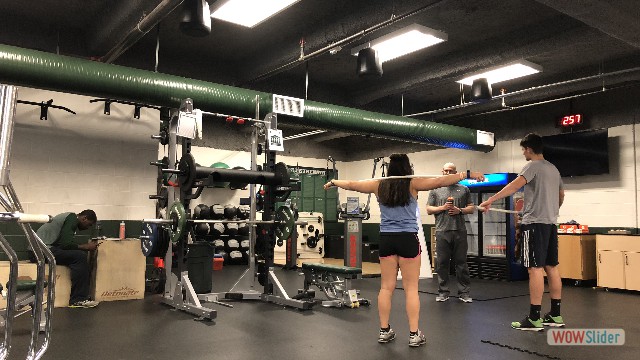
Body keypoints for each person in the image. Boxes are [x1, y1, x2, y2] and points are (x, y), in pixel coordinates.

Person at [324, 154, 485, 346]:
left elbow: (352, 183)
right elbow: (441, 180)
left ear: (390, 169)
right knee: (411, 289)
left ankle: (384, 331)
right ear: (407, 167)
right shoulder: (413, 184)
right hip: (408, 239)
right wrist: (467, 174)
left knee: (386, 287)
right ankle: (414, 335)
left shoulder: (378, 185)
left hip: (387, 240)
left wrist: (334, 181)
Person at [479, 133, 565, 331]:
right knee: (551, 267)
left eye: (523, 150)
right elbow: (561, 195)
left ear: (528, 149)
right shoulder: (553, 168)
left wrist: (490, 200)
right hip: (551, 223)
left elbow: (513, 186)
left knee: (534, 268)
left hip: (534, 224)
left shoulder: (532, 166)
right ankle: (555, 315)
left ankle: (535, 317)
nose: (523, 153)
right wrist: (552, 210)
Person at [426, 162, 474, 303]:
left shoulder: (464, 189)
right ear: (442, 172)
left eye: (450, 171)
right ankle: (443, 292)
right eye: (445, 171)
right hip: (442, 231)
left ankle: (464, 293)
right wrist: (443, 207)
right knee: (442, 263)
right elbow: (429, 209)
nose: (448, 173)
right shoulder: (435, 189)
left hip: (460, 231)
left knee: (461, 263)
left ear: (455, 172)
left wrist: (460, 210)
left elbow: (471, 207)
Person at [36, 210, 100, 308]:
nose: (88, 228)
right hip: (40, 251)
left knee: (76, 255)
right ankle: (78, 299)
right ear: (84, 218)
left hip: (40, 250)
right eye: (89, 224)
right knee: (80, 257)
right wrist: (86, 246)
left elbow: (63, 244)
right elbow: (66, 244)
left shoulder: (68, 218)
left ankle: (79, 297)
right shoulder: (72, 219)